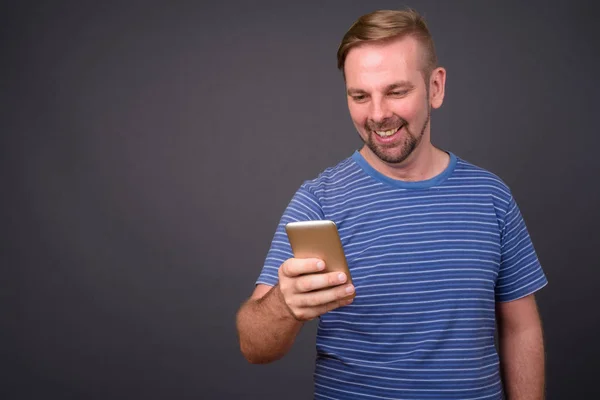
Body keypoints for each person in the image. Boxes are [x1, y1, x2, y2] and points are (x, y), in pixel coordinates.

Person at [236, 8, 547, 399]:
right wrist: (284, 304)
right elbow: (255, 347)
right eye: (360, 96)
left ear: (435, 87)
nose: (378, 115)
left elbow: (522, 327)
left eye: (397, 92)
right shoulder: (318, 201)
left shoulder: (491, 196)